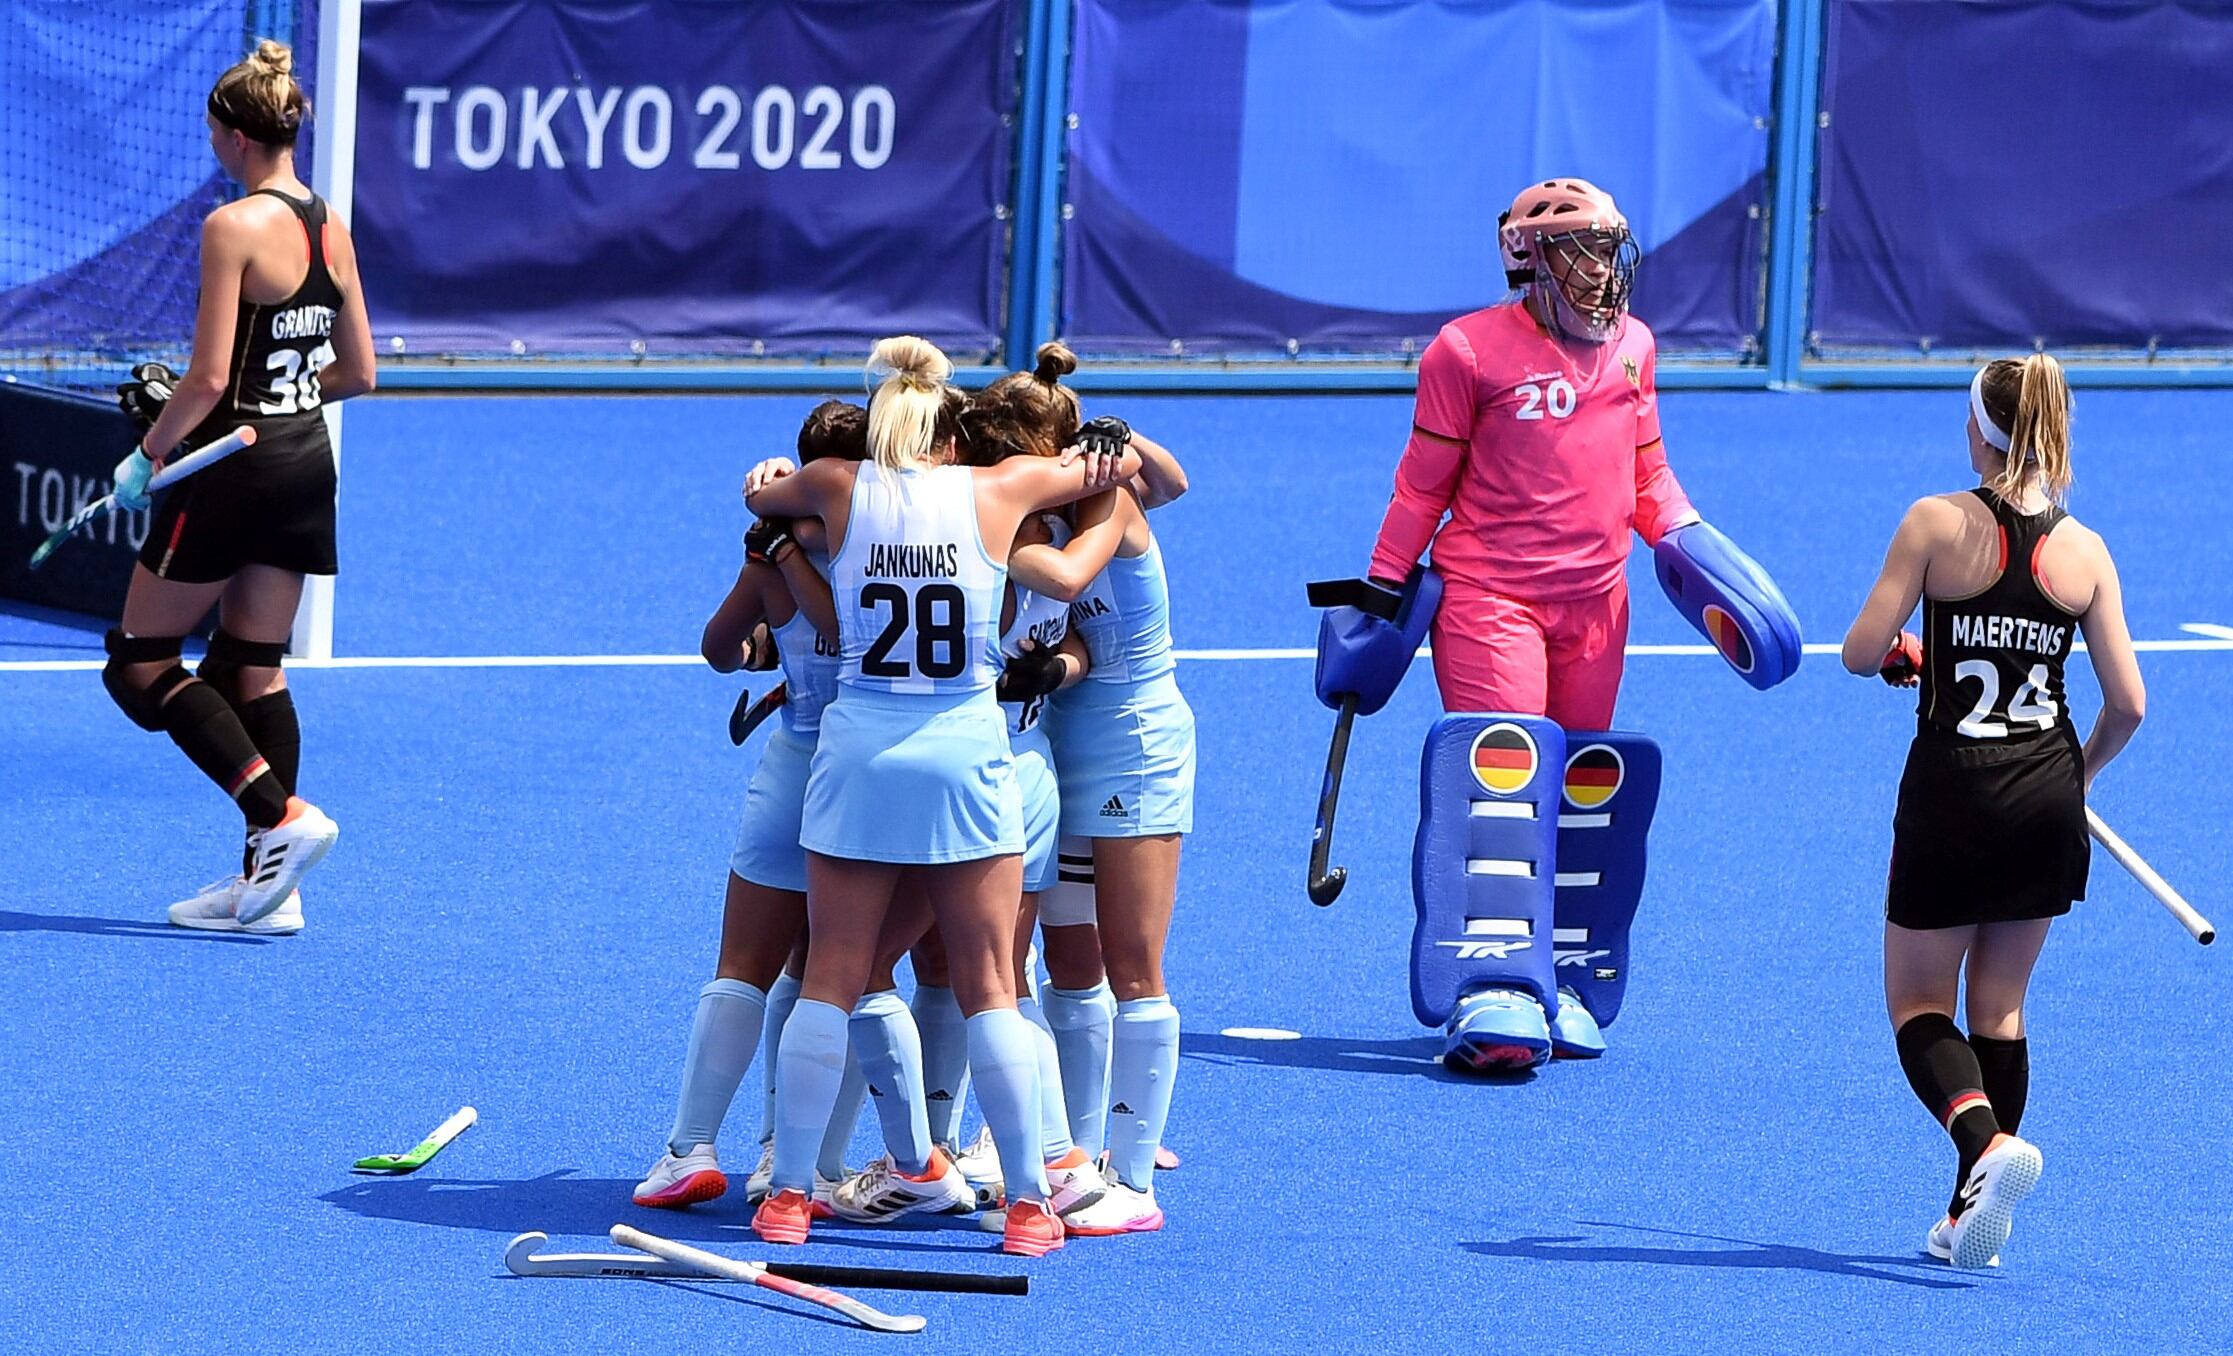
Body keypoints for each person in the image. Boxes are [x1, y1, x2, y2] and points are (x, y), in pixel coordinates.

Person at [740, 336, 1139, 1257]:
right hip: (964, 750)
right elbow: (1108, 467)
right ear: (953, 437)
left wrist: (767, 481)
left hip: (859, 749)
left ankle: (791, 1194)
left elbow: (761, 494)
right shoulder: (998, 491)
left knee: (833, 975)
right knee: (992, 982)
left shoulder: (836, 486)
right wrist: (1103, 449)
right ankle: (1033, 1205)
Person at [1841, 353, 2144, 1269]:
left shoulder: (1934, 522)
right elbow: (2128, 703)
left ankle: (1983, 1148)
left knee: (1918, 1003)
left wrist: (1905, 650)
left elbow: (1860, 652)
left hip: (1951, 794)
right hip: (2046, 797)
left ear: (1978, 427)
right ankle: (1970, 1213)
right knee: (2000, 1009)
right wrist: (2075, 779)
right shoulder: (2084, 549)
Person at [106, 40, 374, 932]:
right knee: (251, 669)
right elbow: (359, 372)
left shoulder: (231, 227)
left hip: (233, 466)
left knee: (140, 664)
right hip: (304, 461)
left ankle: (282, 820)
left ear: (230, 134)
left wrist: (150, 453)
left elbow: (209, 379)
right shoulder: (331, 224)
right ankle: (272, 890)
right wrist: (291, 398)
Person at [973, 349, 1193, 1234]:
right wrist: (1049, 671)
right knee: (1068, 958)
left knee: (1135, 966)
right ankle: (1077, 1151)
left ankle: (1134, 1182)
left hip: (1137, 746)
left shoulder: (1109, 498)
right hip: (1063, 748)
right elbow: (1070, 647)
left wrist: (1123, 436)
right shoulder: (1037, 513)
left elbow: (1169, 481)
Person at [632, 401, 861, 1210]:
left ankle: (688, 1147)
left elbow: (716, 649)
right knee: (841, 976)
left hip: (793, 767)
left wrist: (769, 631)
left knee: (743, 968)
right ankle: (795, 1161)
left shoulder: (771, 552)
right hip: (871, 773)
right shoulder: (897, 540)